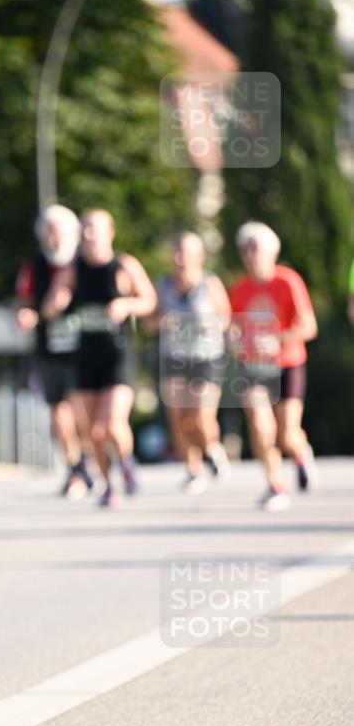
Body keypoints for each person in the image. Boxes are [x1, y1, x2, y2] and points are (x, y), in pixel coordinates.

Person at [45, 209, 157, 507]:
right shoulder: (72, 269)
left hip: (117, 356)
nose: (89, 234)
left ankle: (127, 462)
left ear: (110, 233)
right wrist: (56, 304)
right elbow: (49, 307)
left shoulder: (124, 265)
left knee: (112, 423)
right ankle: (108, 485)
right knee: (93, 432)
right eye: (85, 228)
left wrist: (127, 305)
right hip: (85, 357)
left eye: (95, 228)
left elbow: (149, 301)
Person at [229, 221, 318, 512]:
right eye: (246, 249)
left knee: (287, 435)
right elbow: (233, 329)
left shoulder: (288, 281)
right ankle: (275, 485)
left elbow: (309, 327)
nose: (251, 255)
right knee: (258, 425)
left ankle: (301, 453)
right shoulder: (240, 289)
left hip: (287, 363)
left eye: (256, 248)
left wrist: (278, 339)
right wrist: (234, 341)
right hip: (254, 367)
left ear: (272, 251)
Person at [16, 205, 93, 497]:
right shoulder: (34, 267)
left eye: (57, 231)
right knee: (59, 414)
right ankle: (75, 468)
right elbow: (25, 303)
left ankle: (89, 458)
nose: (52, 238)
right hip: (50, 349)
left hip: (85, 349)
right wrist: (27, 315)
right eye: (47, 232)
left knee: (82, 410)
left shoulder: (86, 264)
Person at [152, 231, 231, 493]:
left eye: (186, 252)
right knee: (178, 419)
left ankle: (212, 449)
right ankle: (193, 469)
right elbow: (148, 323)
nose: (180, 258)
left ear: (199, 257)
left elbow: (226, 318)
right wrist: (163, 322)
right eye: (177, 252)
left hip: (205, 358)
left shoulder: (210, 284)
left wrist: (211, 325)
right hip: (173, 358)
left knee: (199, 418)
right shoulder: (163, 285)